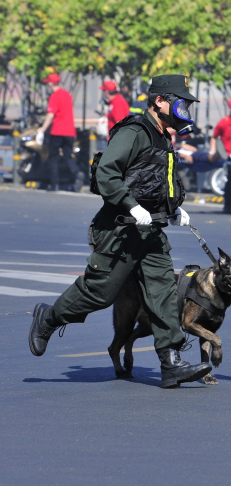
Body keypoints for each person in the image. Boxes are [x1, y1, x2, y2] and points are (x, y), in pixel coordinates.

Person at [28, 74, 213, 389]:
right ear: (160, 101)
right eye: (180, 102)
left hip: (151, 233)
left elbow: (156, 180)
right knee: (100, 293)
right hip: (119, 231)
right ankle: (48, 317)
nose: (185, 109)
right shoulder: (134, 132)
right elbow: (106, 173)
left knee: (163, 294)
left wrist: (173, 208)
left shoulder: (163, 137)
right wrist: (132, 206)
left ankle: (170, 363)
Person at [35, 73, 82, 192]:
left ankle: (54, 184)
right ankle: (77, 173)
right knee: (67, 157)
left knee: (53, 157)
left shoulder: (54, 96)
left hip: (57, 131)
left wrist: (42, 129)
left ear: (51, 84)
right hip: (70, 131)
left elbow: (50, 115)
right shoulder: (67, 94)